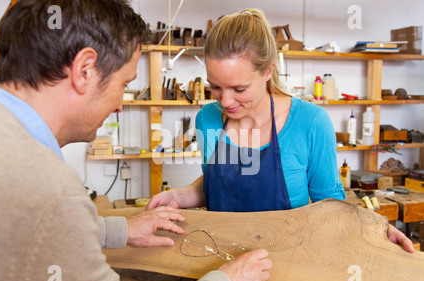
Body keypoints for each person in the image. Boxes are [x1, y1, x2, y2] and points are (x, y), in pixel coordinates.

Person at [0, 0, 272, 281]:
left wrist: (116, 230)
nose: (120, 106)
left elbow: (33, 229)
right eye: (124, 84)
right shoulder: (48, 189)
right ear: (84, 70)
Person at [147, 9, 415, 253]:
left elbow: (333, 209)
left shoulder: (311, 123)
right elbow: (216, 184)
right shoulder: (208, 119)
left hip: (287, 264)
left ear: (267, 71)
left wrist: (371, 228)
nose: (225, 101)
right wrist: (178, 196)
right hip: (219, 260)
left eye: (239, 89)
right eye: (215, 87)